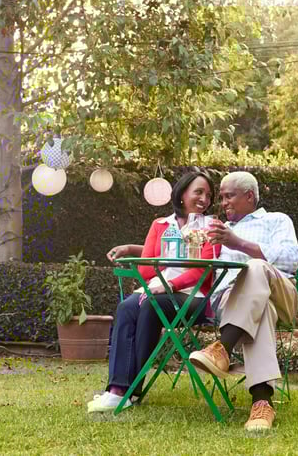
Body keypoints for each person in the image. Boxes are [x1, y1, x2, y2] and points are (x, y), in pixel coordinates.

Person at [87, 171, 220, 413]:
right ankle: (117, 390)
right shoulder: (160, 225)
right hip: (155, 289)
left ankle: (131, 390)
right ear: (182, 194)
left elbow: (203, 271)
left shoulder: (212, 228)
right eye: (198, 192)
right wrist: (167, 261)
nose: (204, 199)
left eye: (209, 195)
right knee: (127, 307)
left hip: (195, 296)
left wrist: (170, 283)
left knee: (151, 304)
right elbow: (146, 269)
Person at [189, 171, 298, 431]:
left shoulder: (276, 220)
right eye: (222, 198)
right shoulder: (219, 230)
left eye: (229, 196)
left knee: (256, 267)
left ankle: (223, 348)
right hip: (231, 300)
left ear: (249, 196)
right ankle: (262, 403)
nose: (223, 203)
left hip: (280, 293)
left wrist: (239, 244)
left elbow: (291, 260)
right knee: (262, 309)